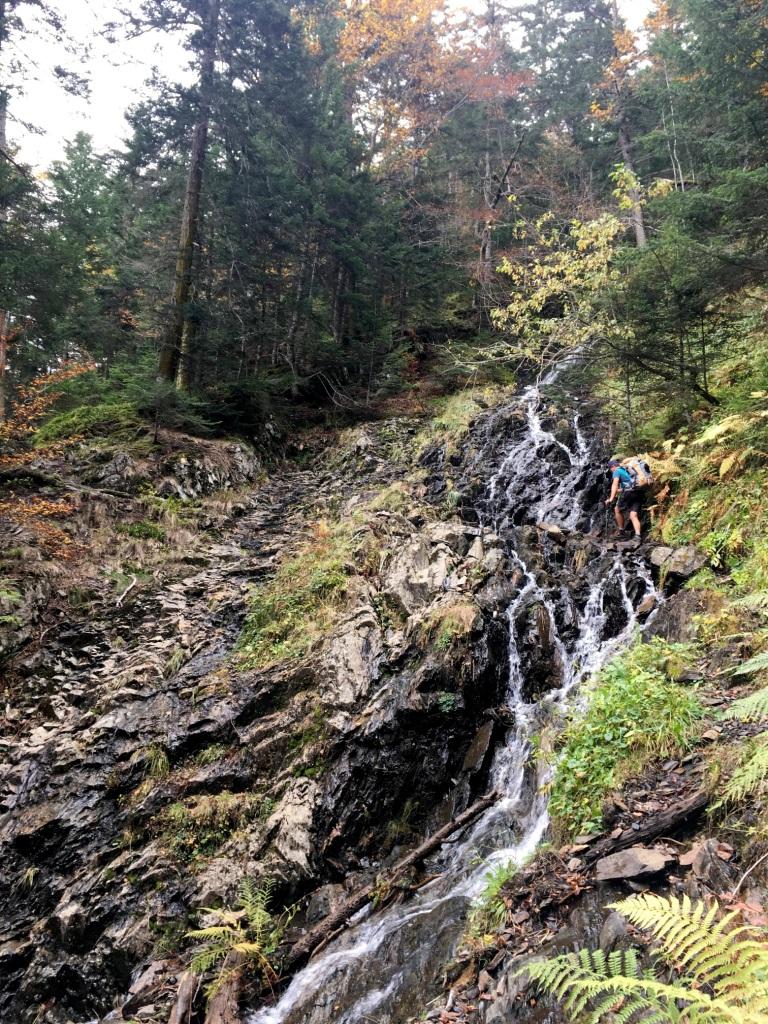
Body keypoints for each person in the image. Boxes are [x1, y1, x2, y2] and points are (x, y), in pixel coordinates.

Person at [605, 457, 643, 545]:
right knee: (633, 514)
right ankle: (638, 536)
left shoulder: (617, 471)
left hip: (628, 494)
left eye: (611, 469)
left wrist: (611, 499)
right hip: (638, 492)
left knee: (617, 509)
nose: (611, 471)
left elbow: (615, 484)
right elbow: (628, 486)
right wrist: (618, 491)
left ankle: (622, 532)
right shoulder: (627, 470)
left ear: (613, 466)